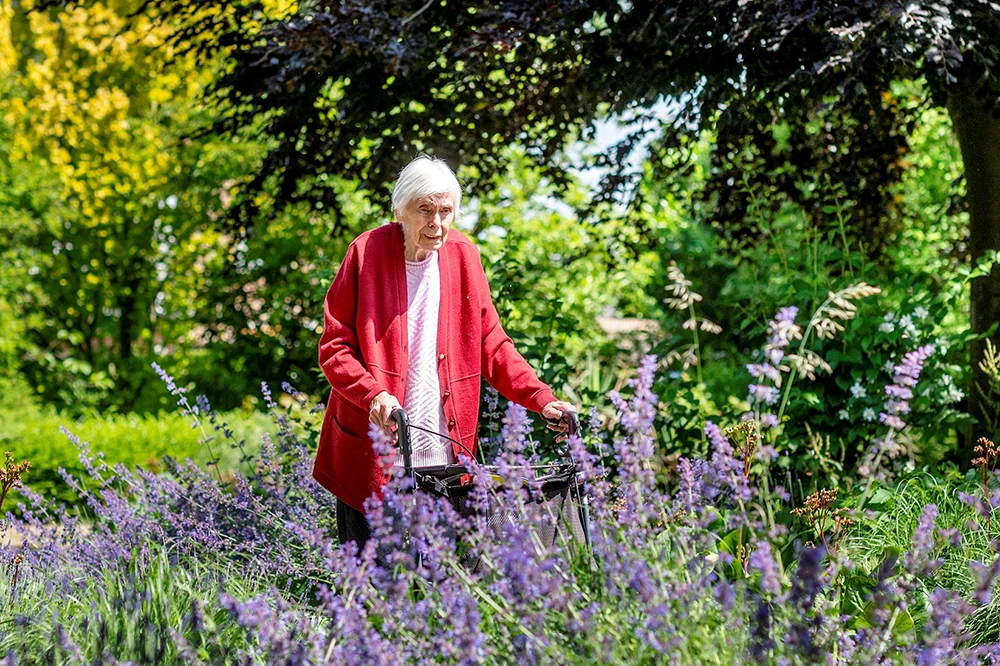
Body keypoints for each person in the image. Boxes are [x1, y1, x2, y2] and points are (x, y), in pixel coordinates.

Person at [312, 155, 575, 550]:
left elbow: (492, 344)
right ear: (400, 210)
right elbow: (335, 347)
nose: (436, 224)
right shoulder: (366, 253)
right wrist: (374, 395)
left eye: (445, 211)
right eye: (425, 210)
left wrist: (541, 398)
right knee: (374, 588)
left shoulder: (463, 256)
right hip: (373, 454)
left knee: (445, 587)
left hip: (445, 458)